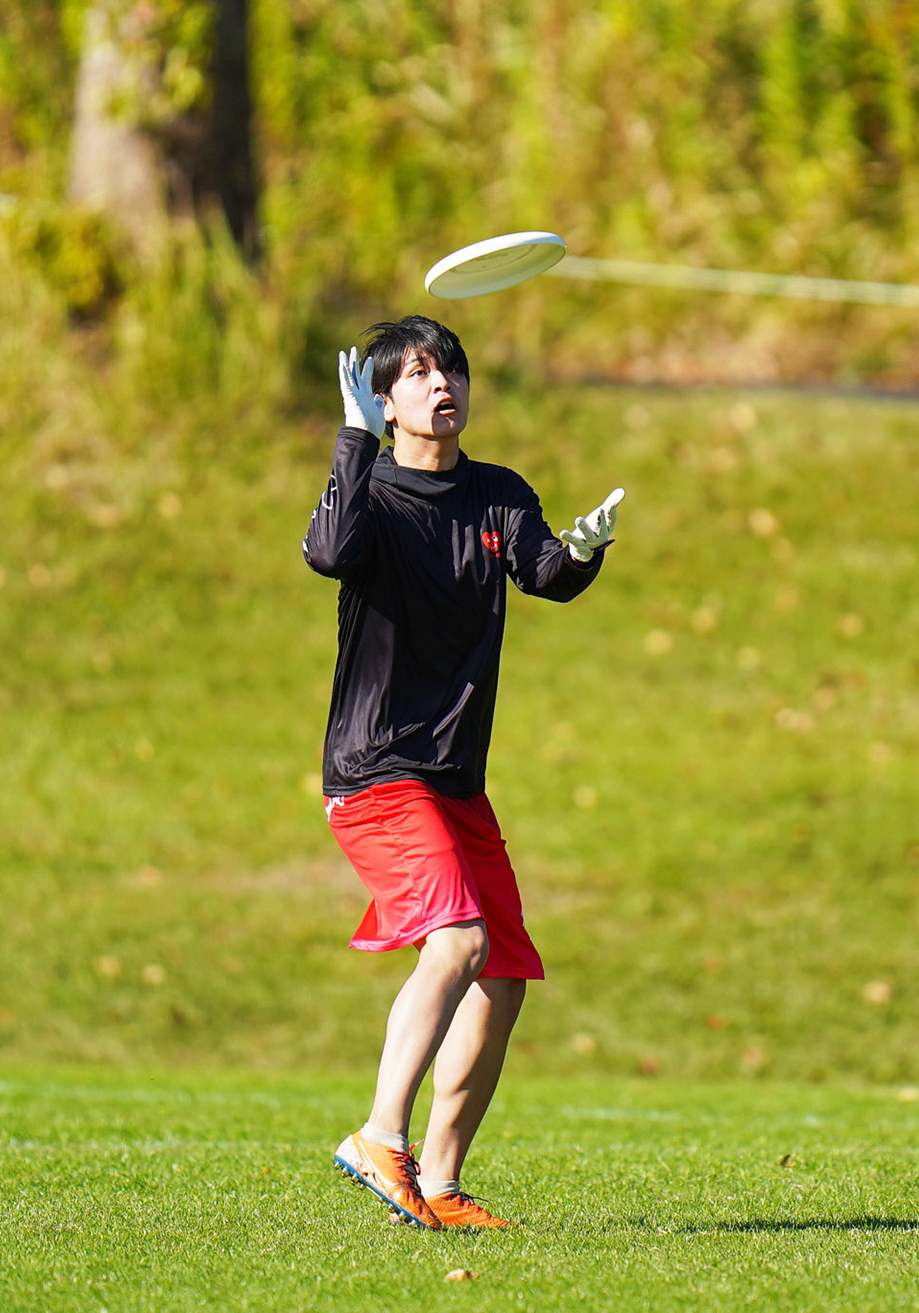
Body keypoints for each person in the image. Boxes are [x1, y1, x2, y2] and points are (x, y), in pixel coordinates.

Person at [303, 315, 622, 1230]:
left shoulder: (496, 493)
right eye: (416, 373)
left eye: (450, 369)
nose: (441, 383)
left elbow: (545, 572)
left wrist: (584, 549)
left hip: (455, 783)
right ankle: (379, 1137)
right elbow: (329, 552)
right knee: (457, 942)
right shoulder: (369, 490)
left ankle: (439, 1183)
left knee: (504, 971)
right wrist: (353, 440)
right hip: (376, 771)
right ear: (384, 401)